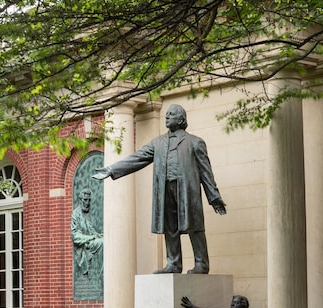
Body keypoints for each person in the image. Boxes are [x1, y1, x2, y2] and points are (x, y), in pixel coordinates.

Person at [92, 104, 225, 274]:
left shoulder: (195, 142)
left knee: (194, 225)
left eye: (171, 115)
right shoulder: (158, 143)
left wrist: (213, 197)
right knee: (170, 226)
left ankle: (201, 263)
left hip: (187, 189)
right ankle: (174, 263)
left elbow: (206, 172)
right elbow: (137, 158)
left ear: (182, 119)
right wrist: (111, 169)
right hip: (165, 189)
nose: (167, 117)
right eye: (167, 114)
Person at [71, 188, 103, 278]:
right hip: (83, 247)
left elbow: (92, 231)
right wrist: (91, 237)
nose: (87, 203)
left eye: (89, 200)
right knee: (102, 243)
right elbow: (75, 236)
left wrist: (98, 235)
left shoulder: (86, 215)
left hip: (90, 244)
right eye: (85, 200)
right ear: (80, 200)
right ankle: (97, 274)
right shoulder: (75, 214)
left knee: (104, 240)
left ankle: (99, 273)